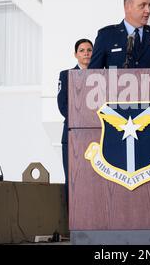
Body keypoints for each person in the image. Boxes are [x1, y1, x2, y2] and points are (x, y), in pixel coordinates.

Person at [57, 39, 93, 202]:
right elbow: (62, 104)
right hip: (72, 133)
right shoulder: (66, 75)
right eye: (82, 50)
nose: (86, 53)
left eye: (89, 50)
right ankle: (70, 220)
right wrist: (80, 121)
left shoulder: (100, 75)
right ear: (75, 54)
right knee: (71, 178)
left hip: (94, 134)